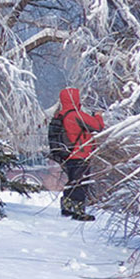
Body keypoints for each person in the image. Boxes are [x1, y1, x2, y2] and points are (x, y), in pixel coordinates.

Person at [46, 87, 105, 221]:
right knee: (81, 182)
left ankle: (67, 209)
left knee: (72, 181)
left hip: (66, 155)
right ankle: (79, 212)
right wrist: (98, 115)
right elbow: (97, 126)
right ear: (75, 99)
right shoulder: (76, 114)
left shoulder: (60, 114)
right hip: (79, 154)